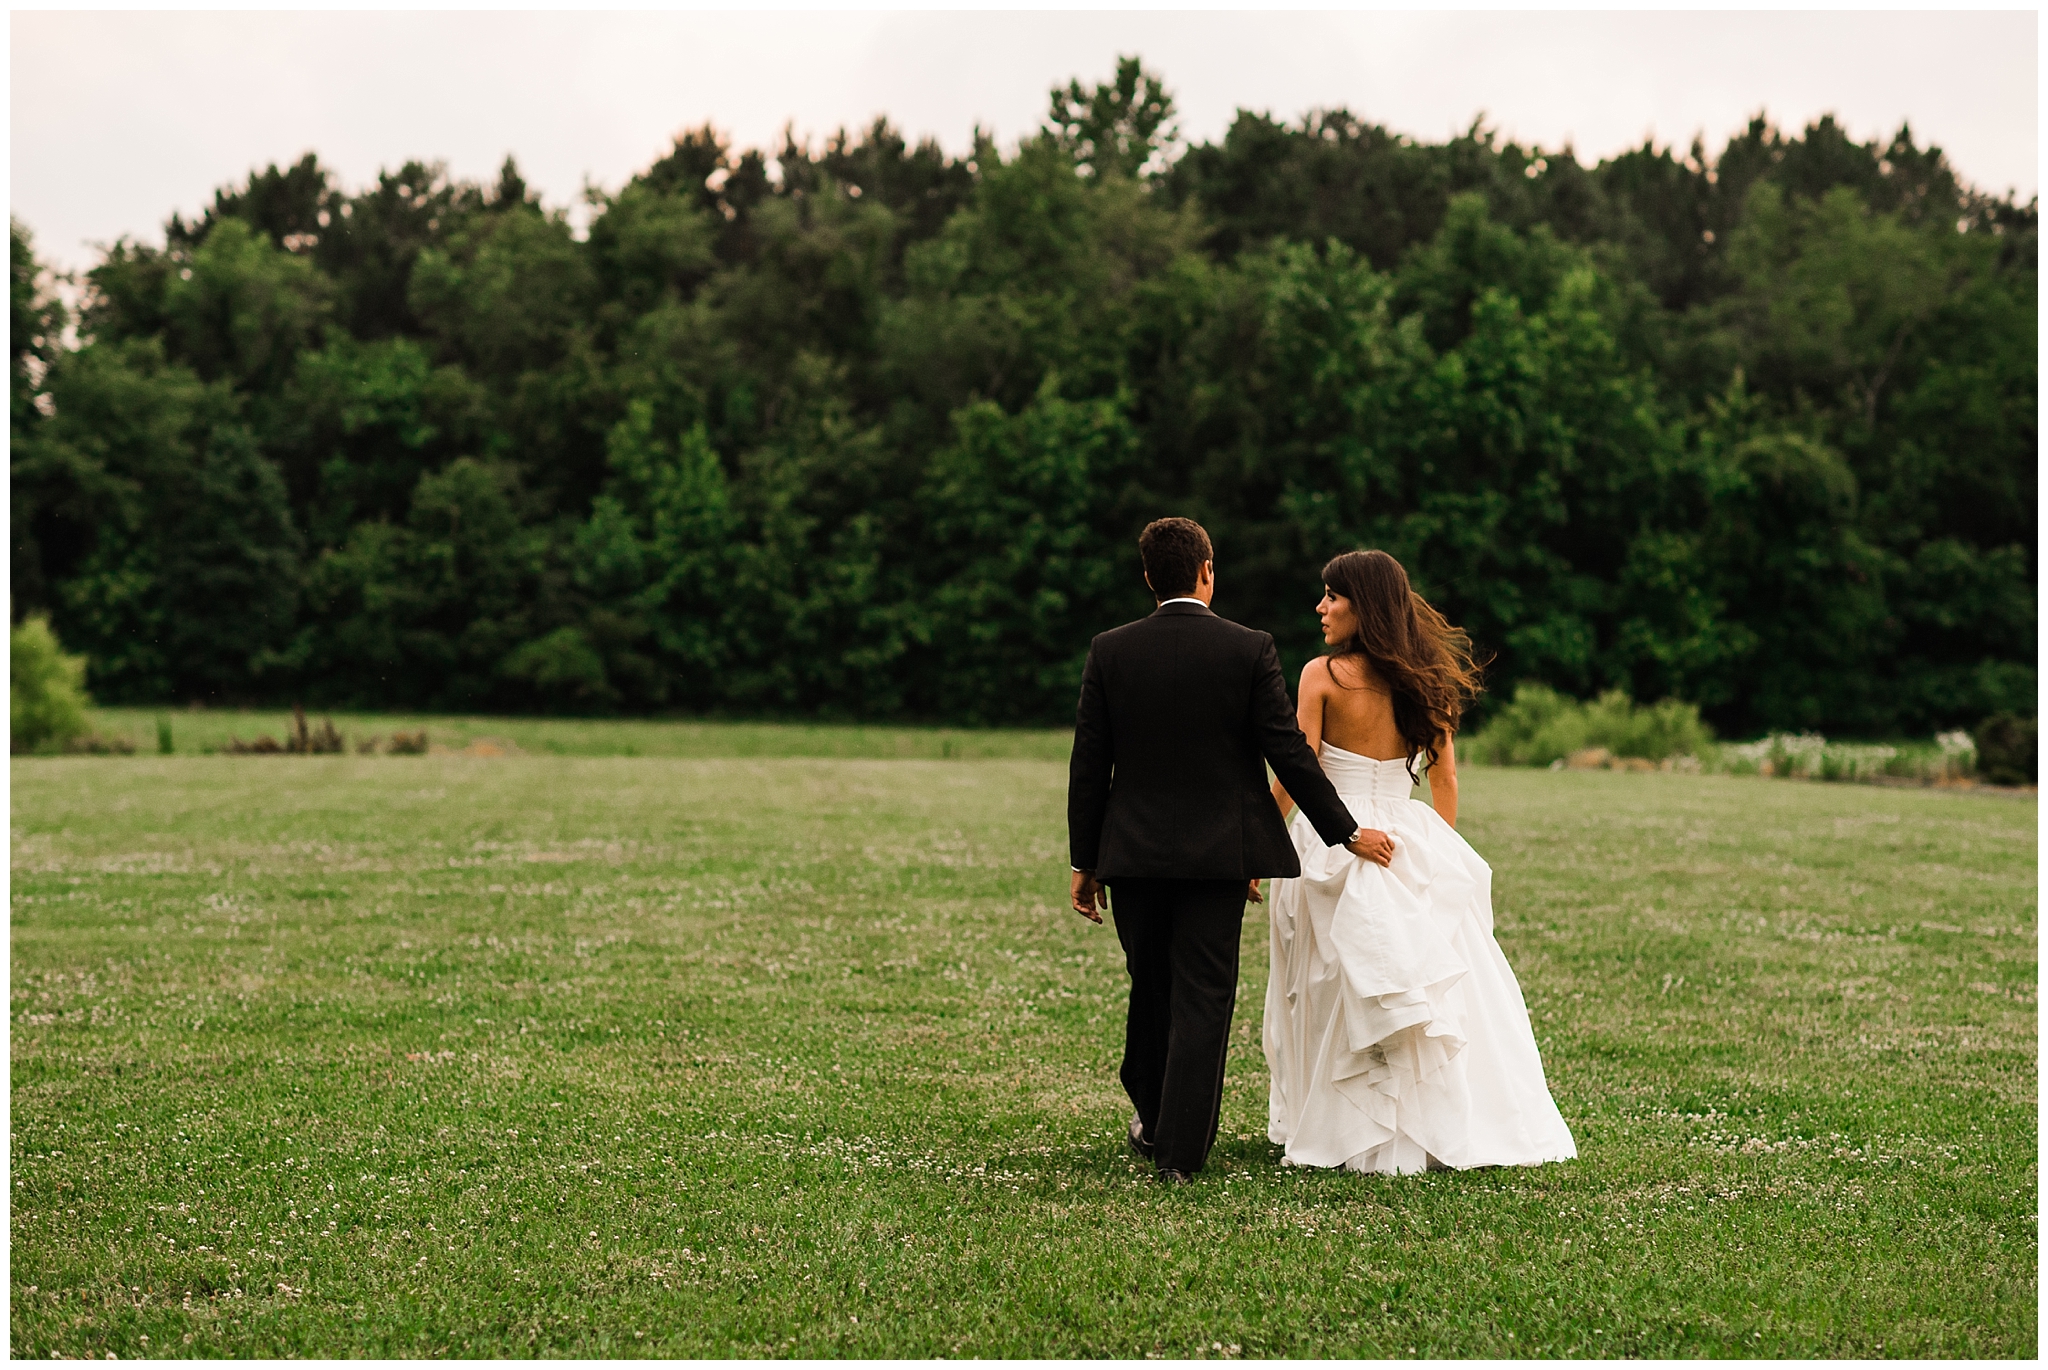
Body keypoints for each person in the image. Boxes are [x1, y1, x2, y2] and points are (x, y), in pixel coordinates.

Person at [1067, 518, 1385, 1183]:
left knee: (1152, 986)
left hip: (1134, 858)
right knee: (1203, 999)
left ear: (1150, 577)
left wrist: (1085, 860)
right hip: (1217, 859)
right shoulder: (1249, 649)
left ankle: (1153, 1118)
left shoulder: (1110, 650)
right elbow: (1289, 753)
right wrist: (1346, 830)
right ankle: (1179, 1157)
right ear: (1207, 570)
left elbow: (1089, 766)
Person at [1263, 549, 1576, 1174]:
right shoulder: (1424, 677)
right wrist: (1436, 856)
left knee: (1327, 981)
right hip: (1408, 835)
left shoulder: (1320, 675)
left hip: (1334, 832)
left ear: (1364, 605)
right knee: (1410, 983)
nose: (1321, 608)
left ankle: (1336, 1123)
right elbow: (1445, 781)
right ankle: (1420, 1119)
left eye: (1333, 596)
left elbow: (1298, 772)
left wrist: (1262, 840)